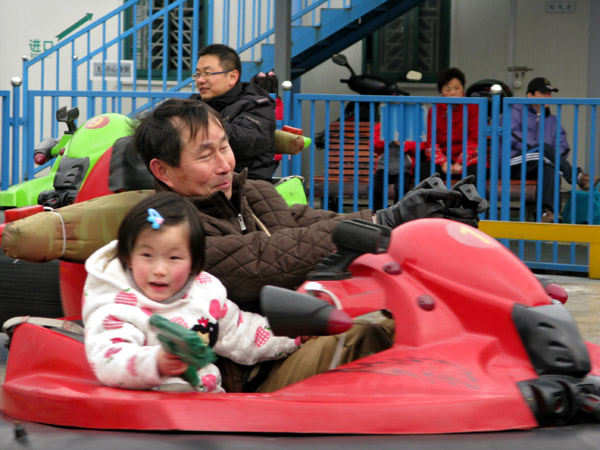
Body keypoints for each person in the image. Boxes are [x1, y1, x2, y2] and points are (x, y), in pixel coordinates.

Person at [134, 98, 487, 312]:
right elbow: (263, 259)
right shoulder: (169, 230)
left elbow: (315, 223)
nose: (224, 164)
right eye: (205, 155)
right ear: (162, 170)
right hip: (250, 363)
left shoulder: (254, 193)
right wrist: (387, 219)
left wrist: (419, 219)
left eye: (224, 147)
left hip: (309, 324)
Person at [83, 191, 395, 393]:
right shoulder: (118, 303)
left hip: (208, 412)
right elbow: (108, 358)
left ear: (193, 263)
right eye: (147, 256)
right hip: (141, 418)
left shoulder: (203, 292)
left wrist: (295, 334)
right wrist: (159, 362)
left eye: (174, 257)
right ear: (127, 256)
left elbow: (244, 333)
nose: (159, 269)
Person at [373, 67, 479, 210]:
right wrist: (443, 162)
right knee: (425, 171)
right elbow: (430, 142)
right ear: (441, 92)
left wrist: (460, 162)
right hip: (442, 158)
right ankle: (432, 211)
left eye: (456, 88)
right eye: (448, 89)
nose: (453, 92)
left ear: (463, 89)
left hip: (467, 158)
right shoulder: (434, 110)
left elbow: (475, 140)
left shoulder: (474, 108)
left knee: (474, 175)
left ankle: (469, 212)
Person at [190, 44, 277, 181]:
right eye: (198, 74)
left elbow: (245, 142)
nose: (200, 80)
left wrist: (199, 123)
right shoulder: (194, 104)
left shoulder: (257, 105)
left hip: (244, 186)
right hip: (200, 181)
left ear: (232, 77)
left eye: (207, 73)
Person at [509, 77, 590, 223]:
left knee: (550, 167)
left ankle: (547, 213)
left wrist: (549, 156)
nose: (548, 97)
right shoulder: (516, 109)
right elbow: (512, 135)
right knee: (545, 150)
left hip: (539, 163)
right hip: (513, 162)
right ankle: (577, 177)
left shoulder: (552, 120)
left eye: (549, 93)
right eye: (543, 93)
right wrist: (539, 150)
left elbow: (563, 147)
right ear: (530, 95)